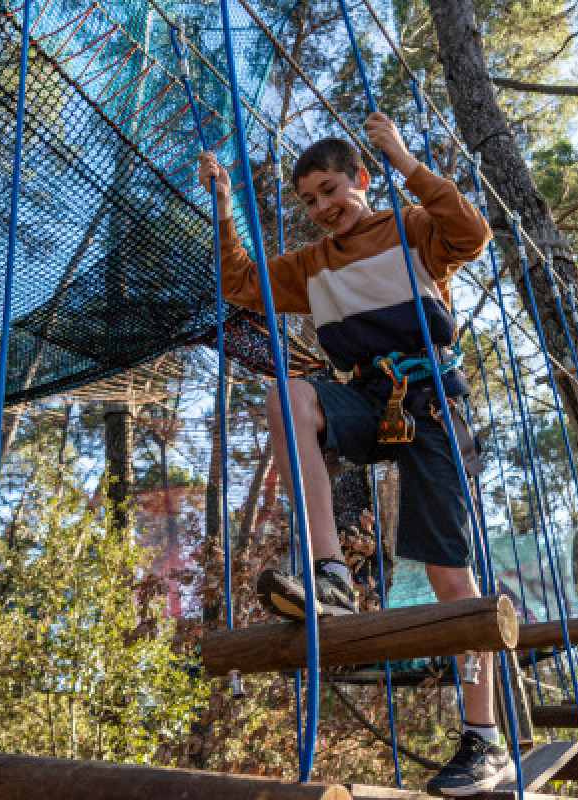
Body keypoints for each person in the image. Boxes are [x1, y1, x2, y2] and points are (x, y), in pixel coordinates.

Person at [198, 113, 512, 796]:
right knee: (290, 398)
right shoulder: (311, 265)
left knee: (450, 581)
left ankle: (485, 738)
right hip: (369, 398)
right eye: (309, 200)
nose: (322, 209)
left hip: (430, 402)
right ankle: (330, 571)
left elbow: (473, 233)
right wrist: (223, 208)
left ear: (361, 180)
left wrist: (403, 156)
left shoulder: (412, 228)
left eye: (331, 190)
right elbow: (241, 284)